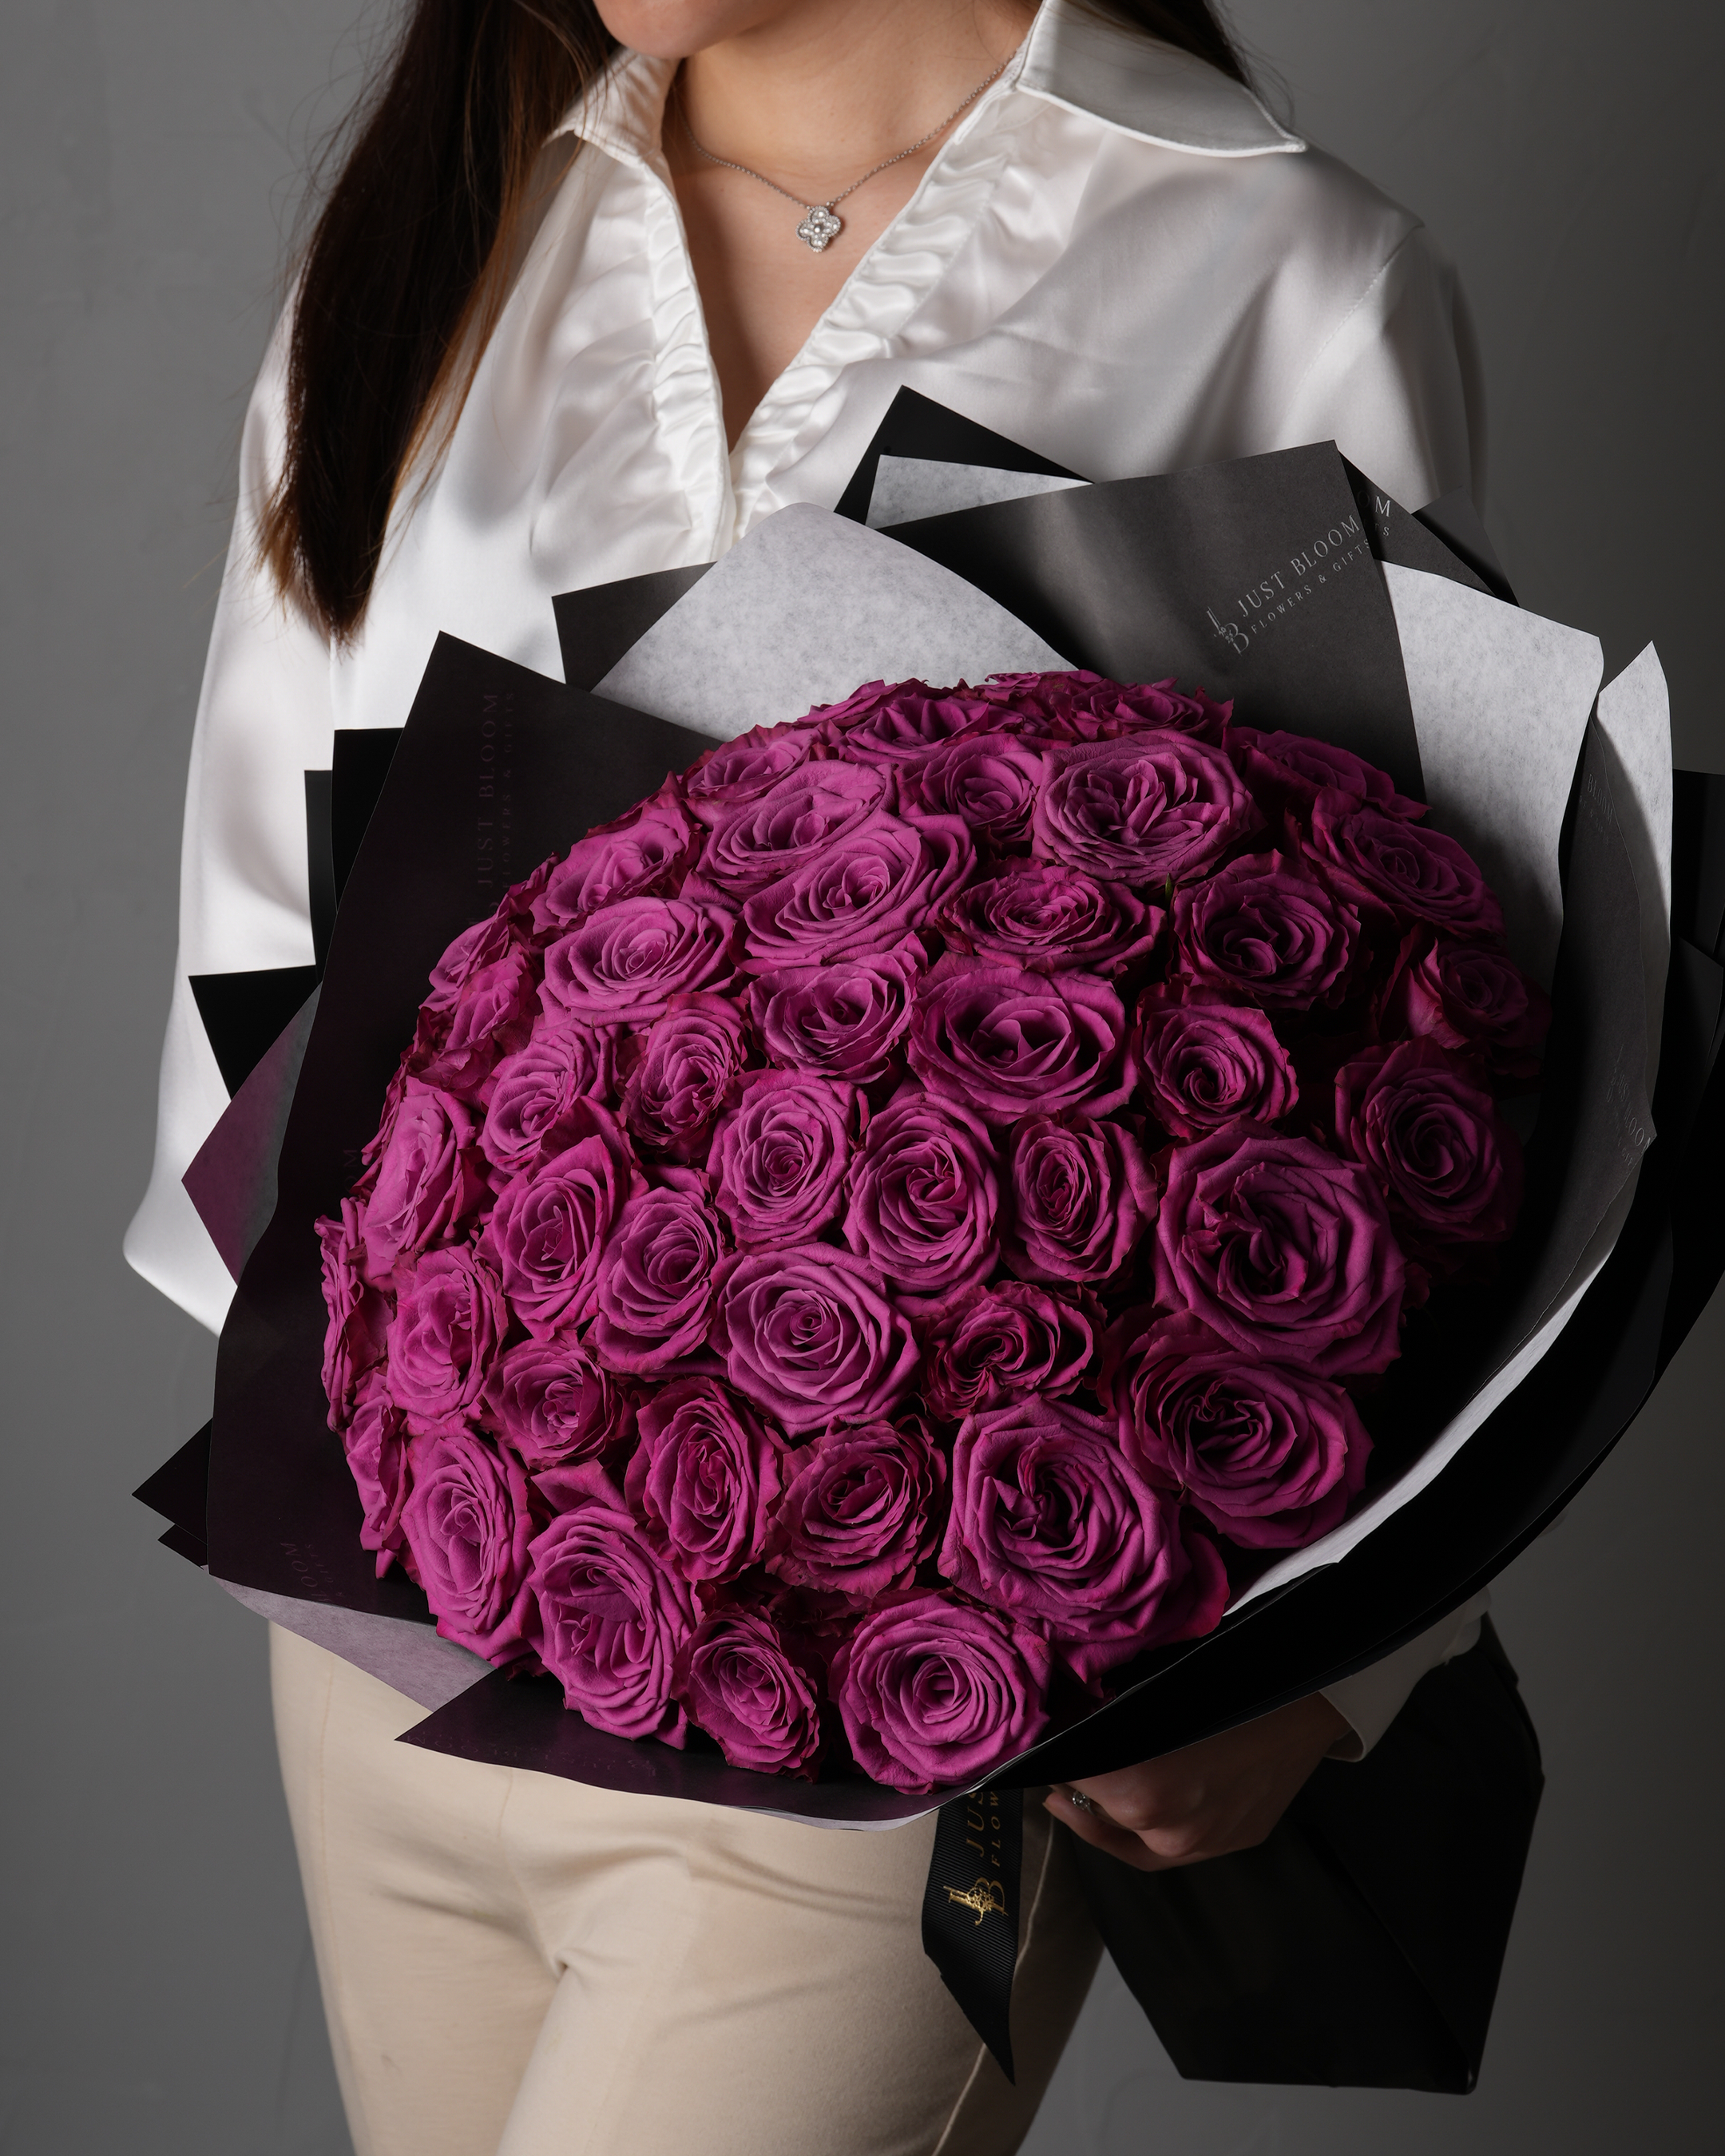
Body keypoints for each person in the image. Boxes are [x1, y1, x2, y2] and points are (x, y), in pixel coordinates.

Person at [126, 2, 1492, 2150]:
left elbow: (1448, 1012)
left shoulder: (1274, 268)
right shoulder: (432, 253)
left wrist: (1341, 1652)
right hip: (405, 1649)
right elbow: (258, 930)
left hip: (895, 1676)